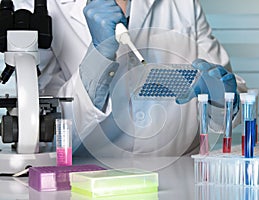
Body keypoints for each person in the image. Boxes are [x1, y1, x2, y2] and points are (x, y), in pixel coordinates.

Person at [17, 0, 246, 160]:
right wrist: (98, 56)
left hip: (179, 176)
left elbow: (226, 96)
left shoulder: (182, 3)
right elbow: (43, 131)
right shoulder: (39, 8)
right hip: (91, 181)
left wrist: (221, 101)